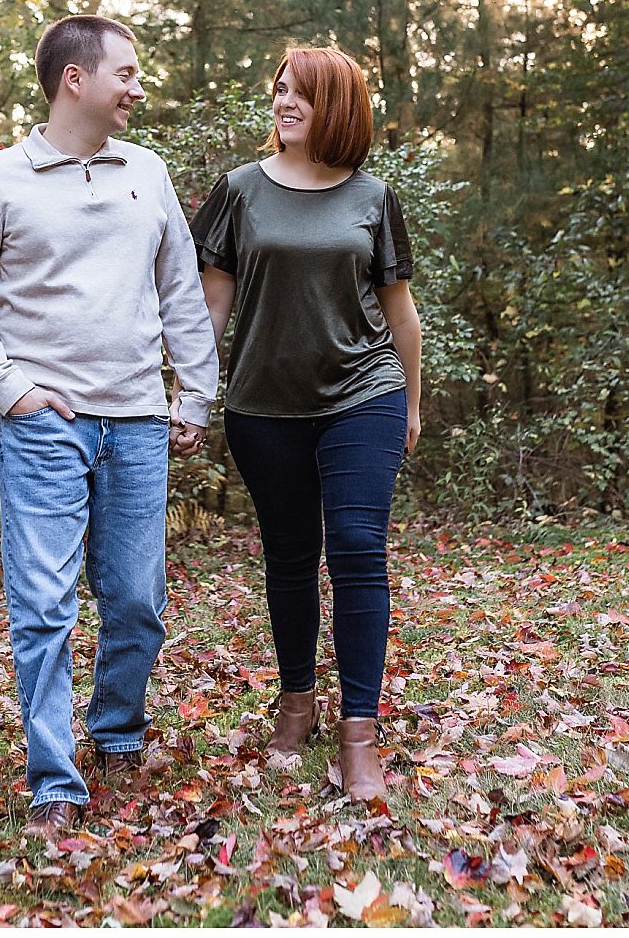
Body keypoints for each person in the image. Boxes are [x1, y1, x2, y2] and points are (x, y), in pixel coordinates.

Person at [0, 14, 217, 836]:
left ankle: (118, 731)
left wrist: (193, 394)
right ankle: (55, 780)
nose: (137, 87)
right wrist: (10, 389)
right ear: (76, 80)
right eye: (125, 73)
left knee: (136, 600)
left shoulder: (149, 171)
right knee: (45, 604)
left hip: (136, 419)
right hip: (44, 423)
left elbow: (180, 293)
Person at [189, 46, 422, 801]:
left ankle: (360, 732)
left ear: (339, 106)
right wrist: (190, 391)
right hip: (263, 403)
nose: (284, 103)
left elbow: (400, 312)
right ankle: (296, 703)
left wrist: (412, 402)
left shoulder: (373, 198)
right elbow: (210, 306)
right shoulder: (238, 192)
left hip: (365, 393)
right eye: (280, 90)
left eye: (302, 94)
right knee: (289, 555)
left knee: (357, 548)